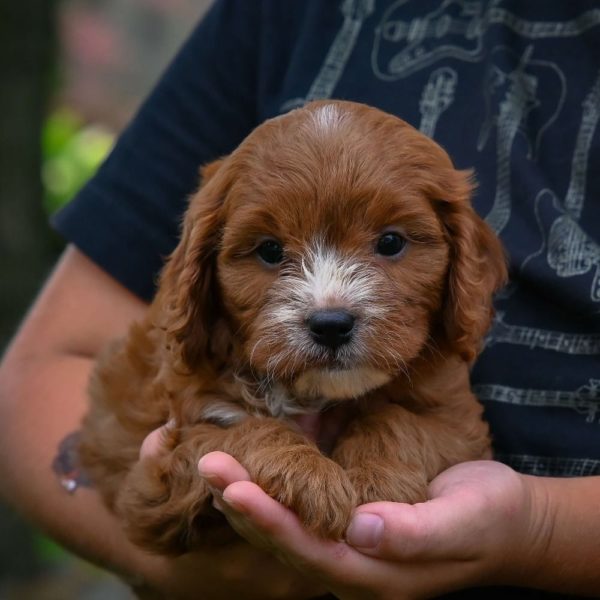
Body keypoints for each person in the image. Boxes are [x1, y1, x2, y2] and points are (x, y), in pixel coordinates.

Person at [1, 1, 599, 597]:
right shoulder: (277, 16)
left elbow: (449, 432)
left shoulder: (428, 384)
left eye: (390, 243)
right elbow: (103, 452)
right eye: (267, 253)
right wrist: (250, 470)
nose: (329, 303)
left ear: (465, 260)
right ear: (198, 276)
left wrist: (540, 529)